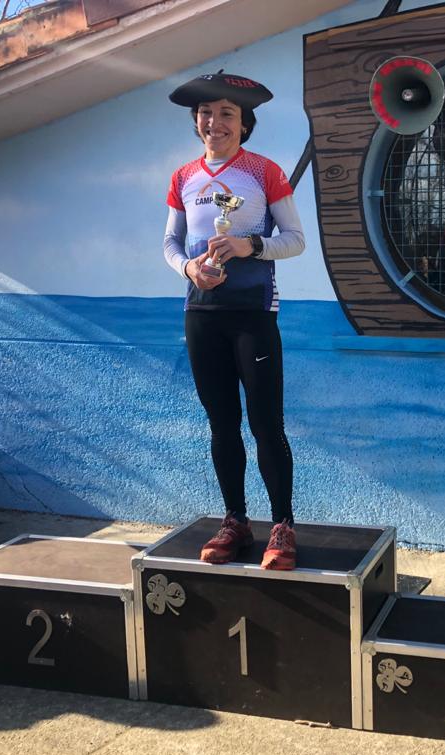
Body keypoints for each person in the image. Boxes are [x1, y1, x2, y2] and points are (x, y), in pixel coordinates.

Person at [163, 72, 305, 570]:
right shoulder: (183, 177)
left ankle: (282, 525)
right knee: (222, 425)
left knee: (266, 424)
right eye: (206, 112)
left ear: (244, 124)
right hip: (202, 315)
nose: (215, 122)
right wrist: (189, 269)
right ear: (196, 121)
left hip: (253, 316)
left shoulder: (264, 171)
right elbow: (170, 243)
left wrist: (251, 245)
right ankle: (235, 520)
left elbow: (295, 240)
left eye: (227, 113)